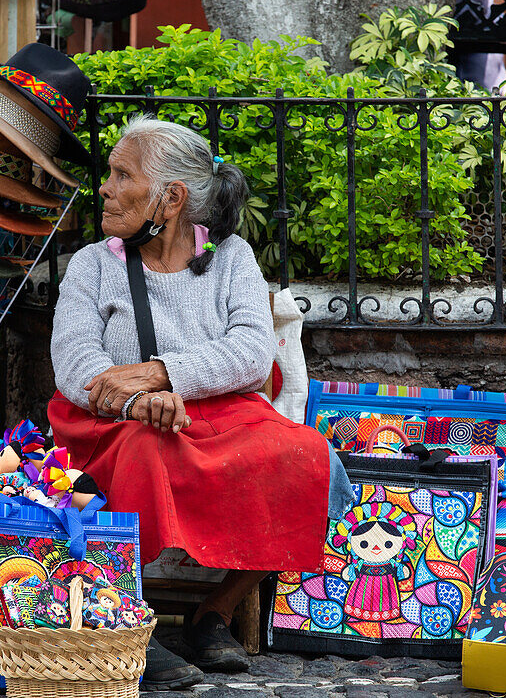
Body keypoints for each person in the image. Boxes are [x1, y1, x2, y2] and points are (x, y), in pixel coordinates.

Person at [48, 116, 354, 690]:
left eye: (121, 175)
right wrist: (141, 404)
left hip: (222, 414)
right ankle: (124, 619)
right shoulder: (93, 265)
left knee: (310, 458)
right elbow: (75, 365)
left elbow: (250, 352)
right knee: (143, 453)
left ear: (171, 197)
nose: (105, 188)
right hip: (118, 423)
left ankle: (213, 610)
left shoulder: (230, 257)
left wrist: (165, 373)